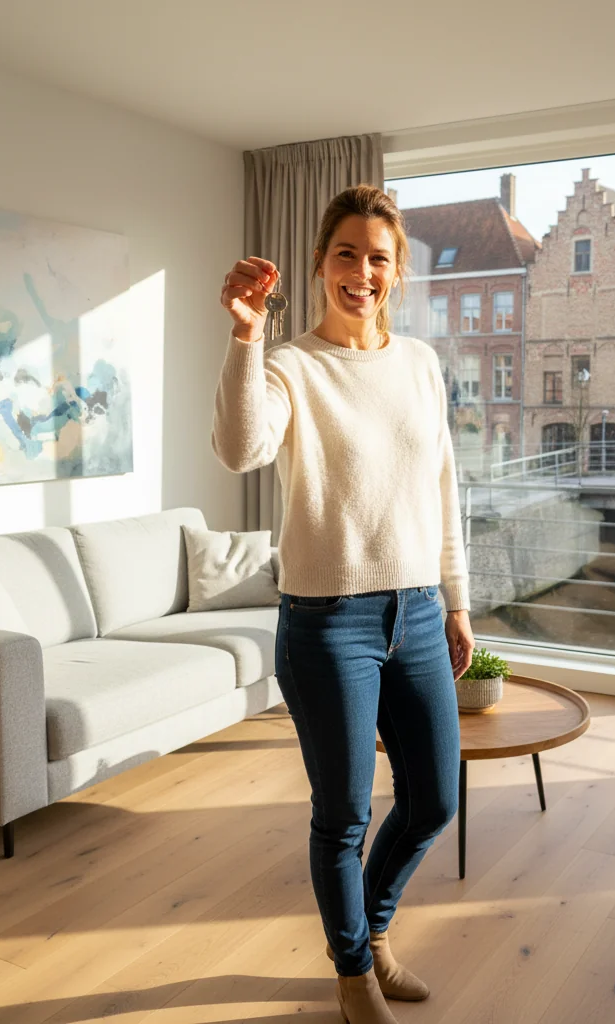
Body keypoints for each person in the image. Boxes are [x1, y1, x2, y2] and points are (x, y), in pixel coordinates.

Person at [213, 184, 475, 1024]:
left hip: (421, 613)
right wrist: (247, 337)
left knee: (435, 797)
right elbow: (240, 448)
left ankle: (371, 928)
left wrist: (457, 601)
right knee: (345, 816)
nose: (361, 272)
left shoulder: (421, 364)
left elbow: (444, 488)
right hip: (329, 621)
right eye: (346, 254)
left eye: (378, 258)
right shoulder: (291, 364)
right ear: (322, 261)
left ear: (396, 273)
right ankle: (355, 971)